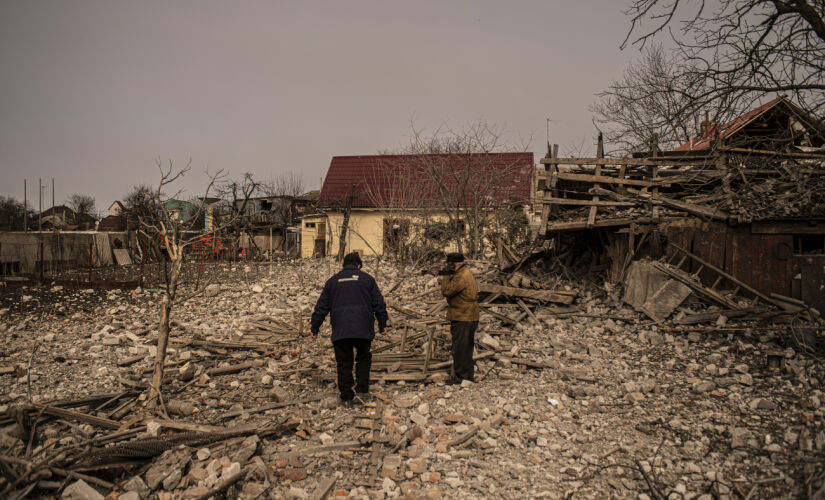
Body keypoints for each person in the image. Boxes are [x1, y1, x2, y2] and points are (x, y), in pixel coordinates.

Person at [310, 253, 388, 406]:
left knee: (344, 363)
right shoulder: (368, 280)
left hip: (341, 330)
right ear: (358, 265)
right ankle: (362, 391)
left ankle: (346, 397)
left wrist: (314, 328)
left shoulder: (332, 282)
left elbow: (321, 307)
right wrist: (382, 324)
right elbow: (379, 304)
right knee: (363, 359)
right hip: (363, 328)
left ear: (343, 265)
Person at [439, 252, 479, 384]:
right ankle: (467, 376)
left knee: (460, 348)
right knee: (466, 347)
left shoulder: (461, 276)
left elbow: (446, 291)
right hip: (468, 315)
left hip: (463, 317)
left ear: (453, 264)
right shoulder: (465, 272)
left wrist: (445, 275)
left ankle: (461, 377)